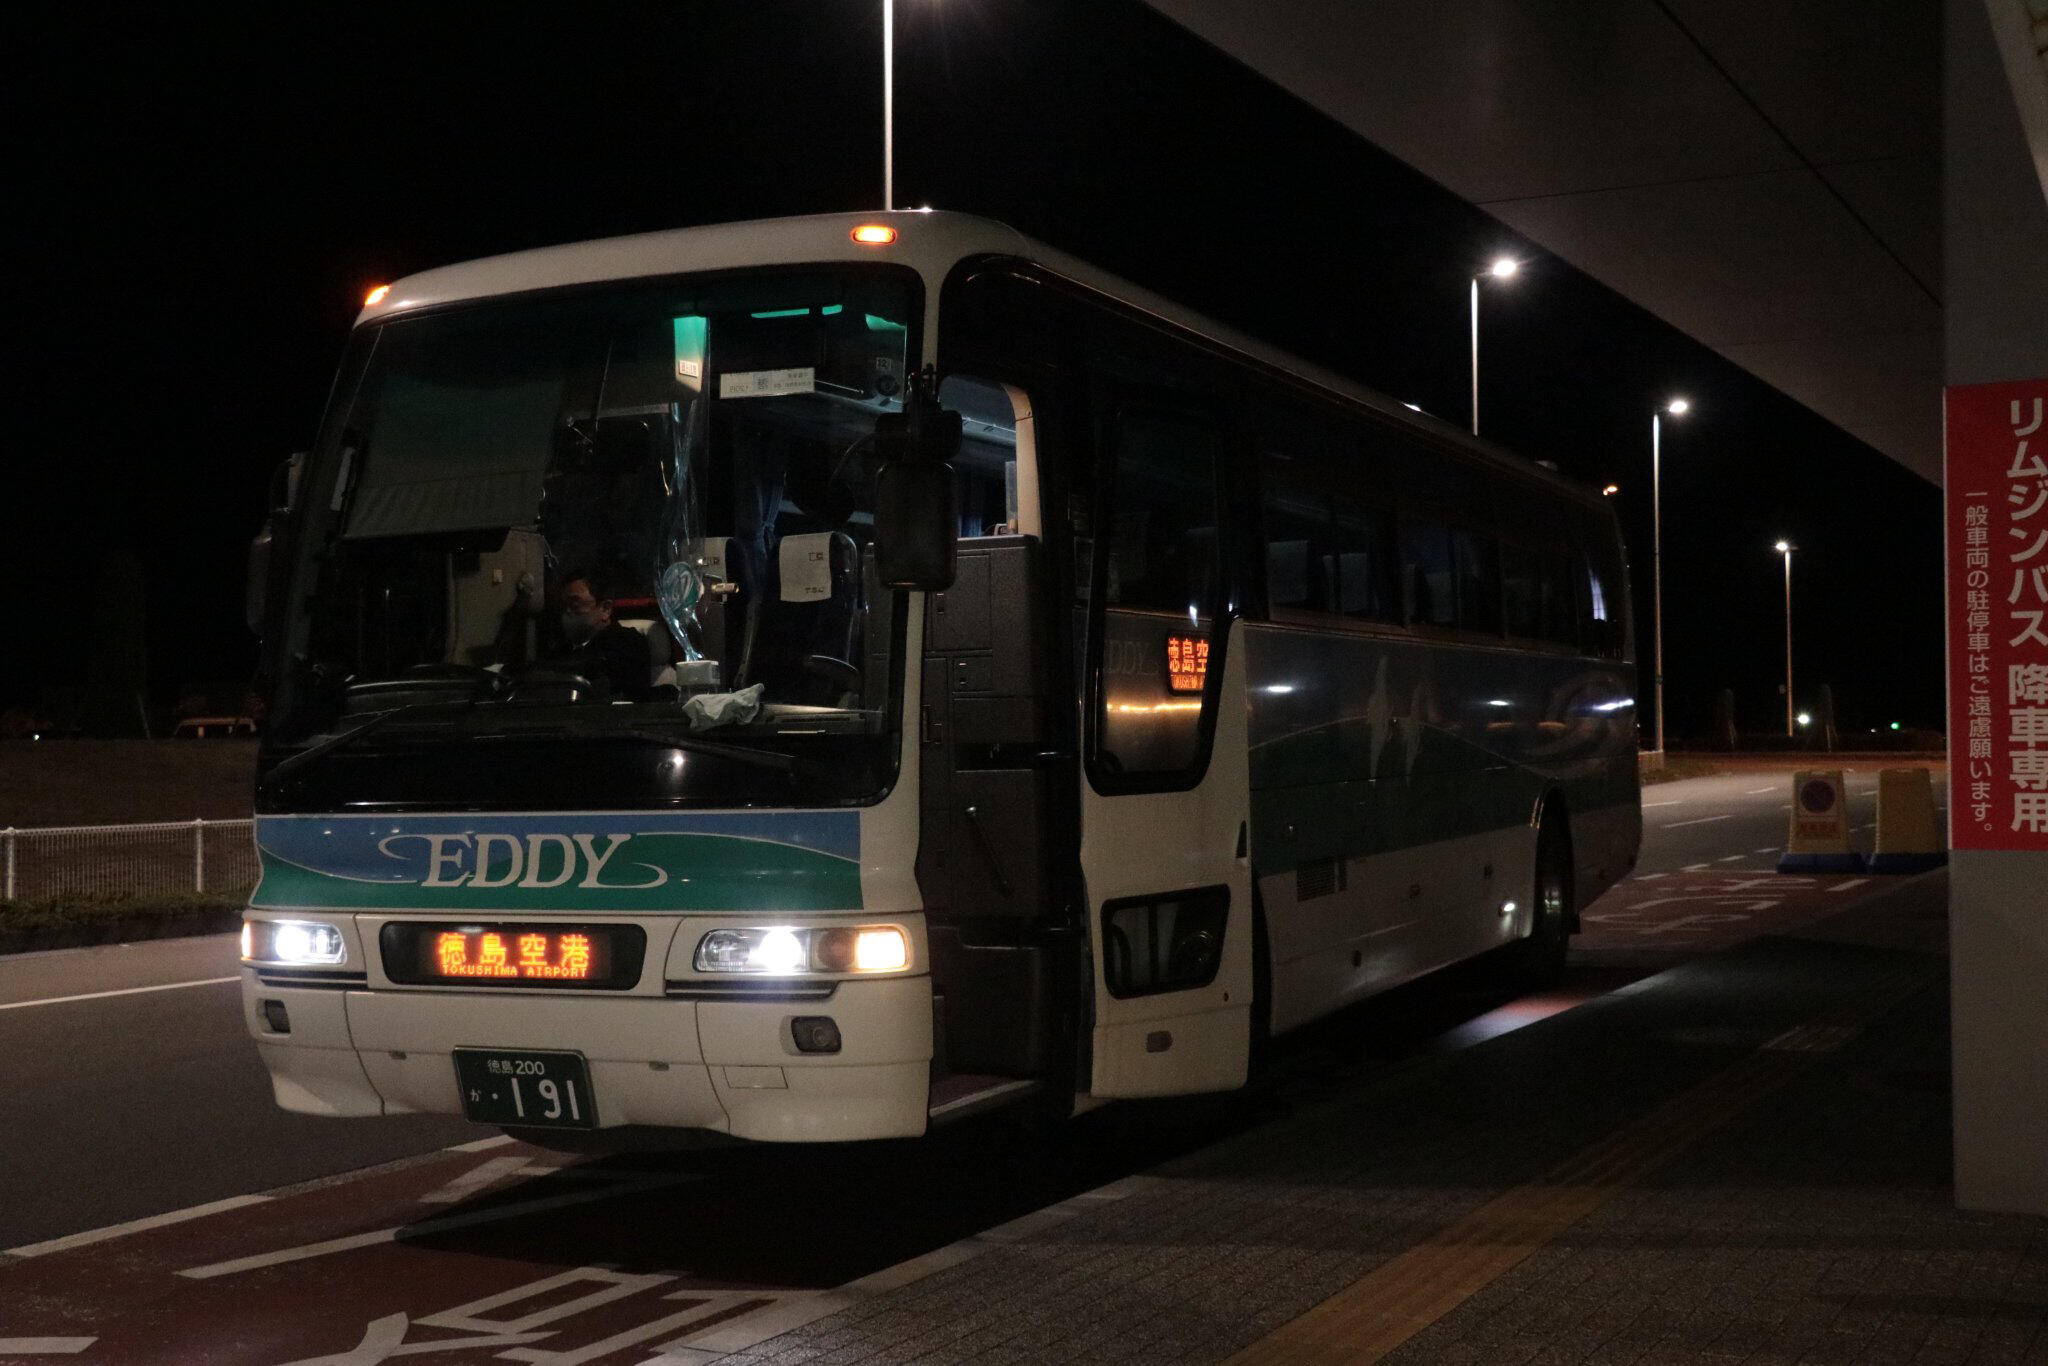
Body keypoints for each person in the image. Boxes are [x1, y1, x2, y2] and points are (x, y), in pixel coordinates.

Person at [557, 572, 649, 700]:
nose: (567, 612)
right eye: (563, 606)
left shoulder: (626, 643)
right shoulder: (560, 648)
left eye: (574, 605)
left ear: (605, 609)